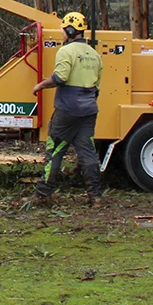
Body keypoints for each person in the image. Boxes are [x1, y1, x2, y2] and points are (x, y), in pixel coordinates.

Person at [31, 11, 103, 205]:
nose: (63, 33)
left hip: (67, 110)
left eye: (64, 30)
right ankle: (95, 196)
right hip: (89, 110)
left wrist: (40, 86)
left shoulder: (66, 51)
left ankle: (42, 195)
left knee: (54, 150)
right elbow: (97, 88)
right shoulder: (95, 55)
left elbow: (60, 77)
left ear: (70, 30)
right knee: (87, 152)